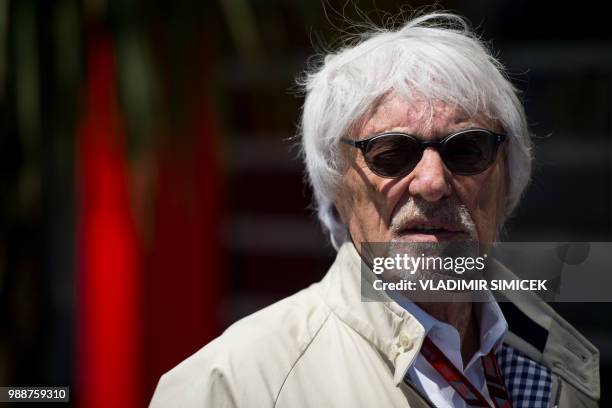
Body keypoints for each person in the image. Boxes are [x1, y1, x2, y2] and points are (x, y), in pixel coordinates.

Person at [150, 12, 600, 408]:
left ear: (508, 179)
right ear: (336, 186)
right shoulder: (233, 386)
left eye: (466, 150)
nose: (432, 183)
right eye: (390, 154)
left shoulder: (555, 361)